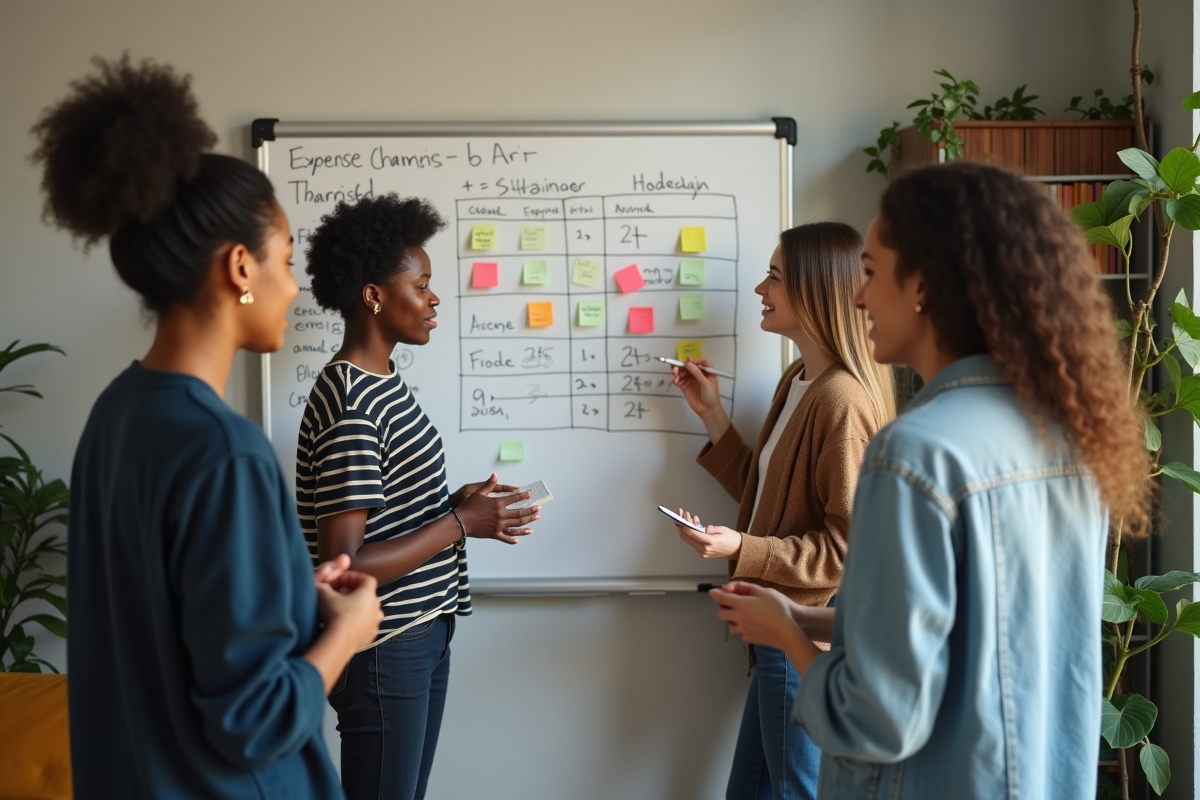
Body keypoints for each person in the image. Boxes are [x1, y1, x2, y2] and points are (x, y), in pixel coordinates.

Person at [710, 162, 1150, 799]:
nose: (858, 298)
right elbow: (978, 636)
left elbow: (874, 716)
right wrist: (794, 617)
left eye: (869, 272)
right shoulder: (1065, 434)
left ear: (921, 285)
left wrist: (788, 635)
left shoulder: (914, 454)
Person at [32, 56, 383, 799]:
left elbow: (164, 618)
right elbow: (252, 721)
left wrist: (290, 588)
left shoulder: (118, 414)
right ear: (239, 268)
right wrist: (348, 635)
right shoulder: (224, 450)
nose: (293, 288)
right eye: (285, 261)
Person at [297, 194, 541, 800]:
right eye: (422, 284)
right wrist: (461, 523)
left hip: (421, 631)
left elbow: (386, 509)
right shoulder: (353, 402)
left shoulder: (383, 382)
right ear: (374, 296)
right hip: (385, 647)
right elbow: (344, 566)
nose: (435, 299)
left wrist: (456, 502)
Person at [668, 222, 895, 800]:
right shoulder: (800, 379)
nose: (758, 290)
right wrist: (714, 416)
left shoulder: (841, 400)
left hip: (803, 634)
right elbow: (769, 495)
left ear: (817, 289)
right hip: (775, 628)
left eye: (774, 276)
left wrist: (741, 549)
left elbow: (845, 550)